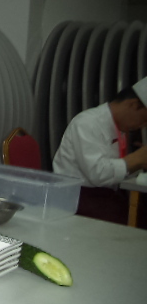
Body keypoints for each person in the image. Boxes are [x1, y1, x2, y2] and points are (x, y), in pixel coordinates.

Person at [52, 77, 147, 224]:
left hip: (103, 195)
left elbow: (116, 169)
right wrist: (136, 159)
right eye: (145, 119)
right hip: (75, 197)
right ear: (133, 105)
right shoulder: (87, 123)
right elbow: (97, 174)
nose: (143, 125)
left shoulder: (118, 127)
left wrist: (141, 163)